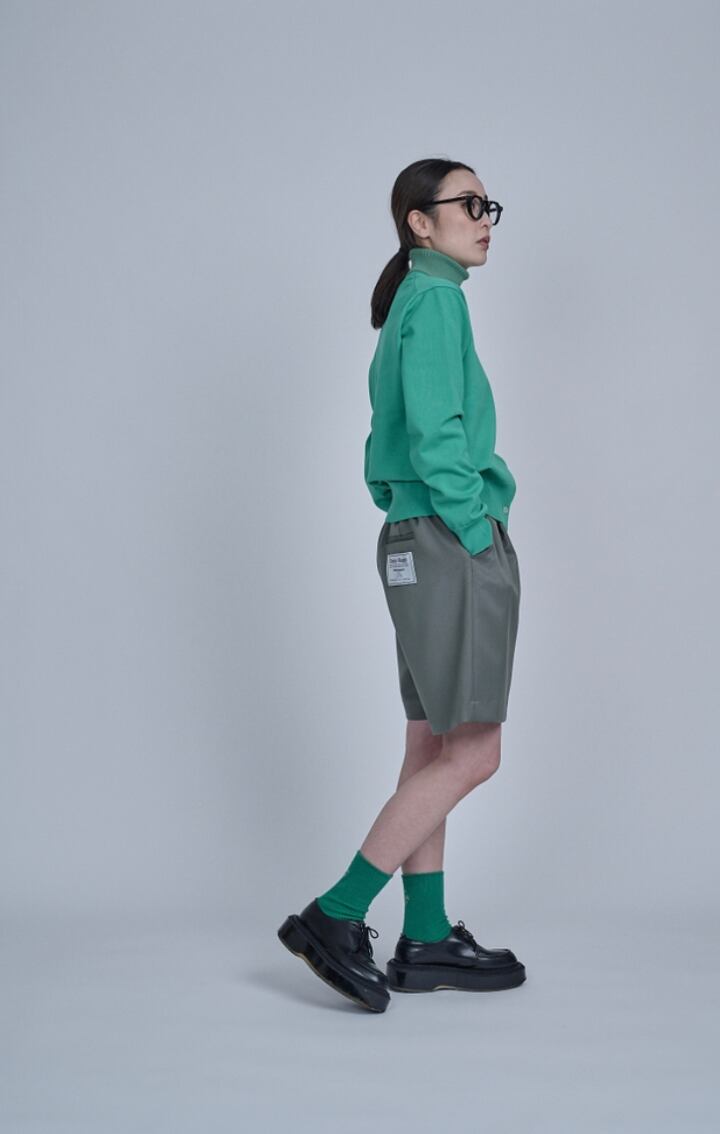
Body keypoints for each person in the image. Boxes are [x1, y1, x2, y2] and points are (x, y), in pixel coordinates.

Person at [278, 158, 524, 1013]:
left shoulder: (414, 302)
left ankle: (425, 935)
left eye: (489, 205)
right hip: (449, 539)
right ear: (420, 222)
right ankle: (337, 913)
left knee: (430, 744)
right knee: (476, 750)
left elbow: (392, 435)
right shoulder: (437, 301)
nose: (484, 218)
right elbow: (435, 433)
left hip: (411, 540)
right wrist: (476, 528)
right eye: (468, 204)